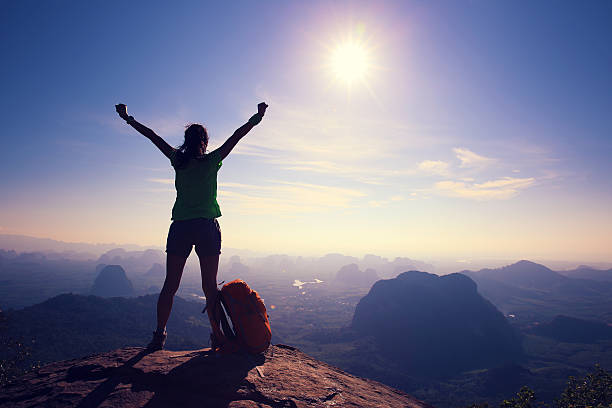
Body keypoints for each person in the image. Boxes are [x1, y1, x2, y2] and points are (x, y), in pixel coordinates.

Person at [115, 102, 268, 351]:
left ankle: (159, 334)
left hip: (181, 228)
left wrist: (128, 118)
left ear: (186, 141)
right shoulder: (212, 161)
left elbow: (152, 136)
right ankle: (218, 336)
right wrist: (257, 116)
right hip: (207, 227)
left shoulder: (178, 160)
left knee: (170, 285)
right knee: (209, 285)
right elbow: (237, 136)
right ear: (205, 141)